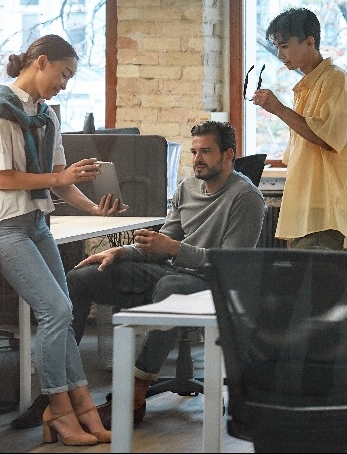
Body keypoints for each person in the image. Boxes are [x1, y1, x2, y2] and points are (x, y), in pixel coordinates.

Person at [0, 34, 127, 445]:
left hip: (37, 223)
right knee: (56, 310)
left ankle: (84, 410)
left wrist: (94, 209)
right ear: (40, 62)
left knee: (64, 310)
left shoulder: (45, 115)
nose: (65, 84)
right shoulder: (0, 111)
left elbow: (59, 181)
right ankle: (59, 411)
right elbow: (3, 179)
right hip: (6, 226)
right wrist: (59, 178)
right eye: (63, 74)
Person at [66, 120, 264, 425]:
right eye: (195, 151)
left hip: (214, 282)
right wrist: (121, 252)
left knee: (170, 288)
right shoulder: (187, 187)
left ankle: (134, 392)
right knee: (80, 278)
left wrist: (172, 249)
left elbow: (231, 263)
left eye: (206, 151)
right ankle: (66, 390)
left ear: (228, 155)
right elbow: (160, 244)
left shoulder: (246, 197)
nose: (197, 158)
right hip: (169, 271)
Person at [251, 7, 347, 250]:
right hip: (306, 207)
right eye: (277, 47)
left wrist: (278, 109)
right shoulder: (307, 86)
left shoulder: (336, 81)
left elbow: (327, 138)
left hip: (327, 208)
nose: (280, 54)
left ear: (310, 42)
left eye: (284, 45)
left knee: (314, 284)